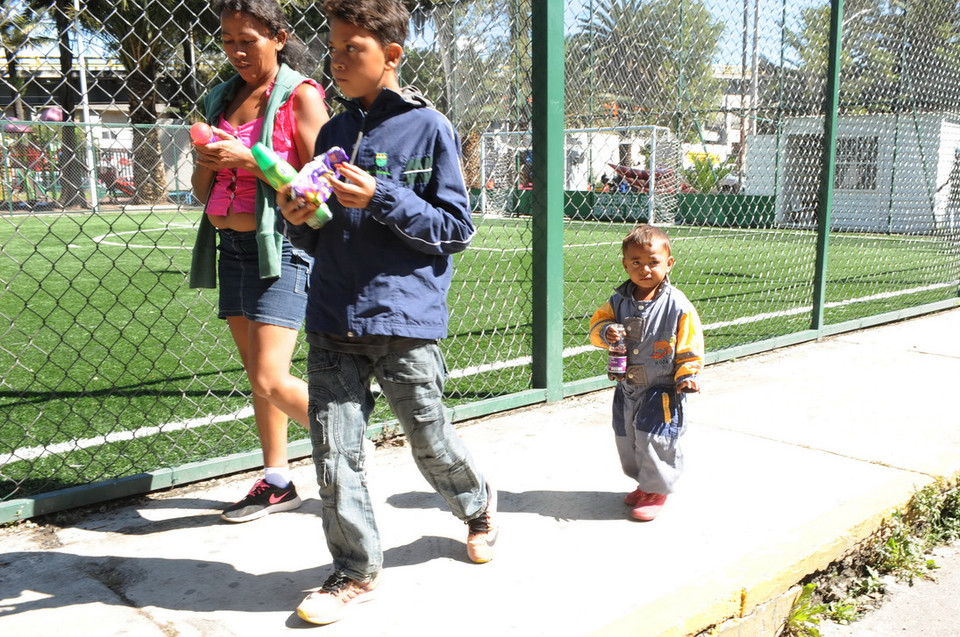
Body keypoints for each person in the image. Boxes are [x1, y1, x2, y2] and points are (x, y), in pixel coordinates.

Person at [276, 0, 496, 625]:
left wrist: (383, 196)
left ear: (392, 55)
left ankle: (476, 505)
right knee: (333, 451)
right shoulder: (333, 133)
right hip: (333, 317)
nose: (338, 60)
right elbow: (324, 232)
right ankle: (354, 571)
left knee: (428, 439)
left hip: (403, 321)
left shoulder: (430, 128)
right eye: (334, 47)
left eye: (354, 49)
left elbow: (455, 228)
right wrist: (301, 219)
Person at [188, 0, 329, 523]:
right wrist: (207, 161)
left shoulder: (300, 96)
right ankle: (276, 481)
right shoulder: (222, 98)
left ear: (278, 36)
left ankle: (351, 439)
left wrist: (252, 159)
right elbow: (204, 191)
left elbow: (319, 183)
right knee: (257, 377)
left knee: (272, 376)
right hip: (233, 248)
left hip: (283, 245)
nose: (237, 51)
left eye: (248, 39)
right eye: (227, 41)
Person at [589, 225, 704, 522]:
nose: (645, 269)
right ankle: (645, 483)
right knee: (629, 437)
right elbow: (596, 329)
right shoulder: (617, 301)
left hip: (662, 386)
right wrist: (606, 332)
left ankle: (658, 489)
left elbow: (690, 342)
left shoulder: (678, 305)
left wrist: (687, 373)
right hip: (628, 385)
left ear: (669, 263)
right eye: (636, 263)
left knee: (657, 438)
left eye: (653, 262)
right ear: (625, 265)